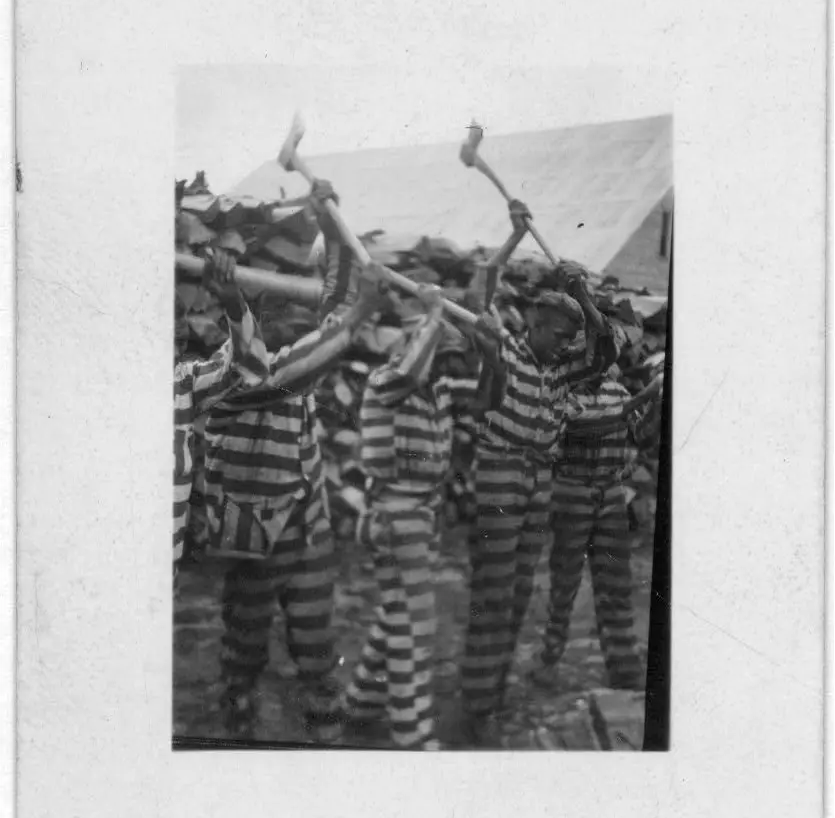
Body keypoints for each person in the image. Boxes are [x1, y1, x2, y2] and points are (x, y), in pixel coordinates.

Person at [202, 183, 390, 742]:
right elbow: (299, 354)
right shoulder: (237, 370)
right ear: (256, 312)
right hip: (254, 538)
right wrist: (359, 314)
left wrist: (331, 224)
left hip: (308, 532)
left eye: (294, 310)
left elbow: (331, 311)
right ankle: (233, 752)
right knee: (244, 656)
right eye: (274, 309)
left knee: (317, 652)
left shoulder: (300, 353)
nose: (293, 319)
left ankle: (326, 749)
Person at [458, 200, 623, 747]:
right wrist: (510, 238)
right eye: (552, 331)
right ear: (531, 323)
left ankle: (494, 695)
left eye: (566, 334)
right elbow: (479, 292)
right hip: (501, 471)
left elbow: (606, 348)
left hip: (539, 481)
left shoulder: (563, 372)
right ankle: (478, 703)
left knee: (521, 592)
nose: (560, 341)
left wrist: (583, 295)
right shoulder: (505, 349)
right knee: (494, 589)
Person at [341, 283, 462, 749]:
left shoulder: (438, 390)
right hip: (395, 513)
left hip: (417, 515)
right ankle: (412, 735)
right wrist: (432, 315)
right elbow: (411, 369)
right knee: (415, 629)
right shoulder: (386, 381)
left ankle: (359, 705)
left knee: (397, 615)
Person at [532, 363, 663, 690]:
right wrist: (644, 396)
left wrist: (659, 403)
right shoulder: (565, 390)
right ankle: (549, 660)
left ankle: (624, 666)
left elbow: (642, 435)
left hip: (611, 493)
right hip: (573, 490)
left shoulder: (616, 391)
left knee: (615, 584)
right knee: (565, 583)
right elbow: (582, 426)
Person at [173, 249, 269, 572]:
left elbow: (250, 367)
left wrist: (231, 299)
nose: (181, 336)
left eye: (181, 328)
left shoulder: (181, 383)